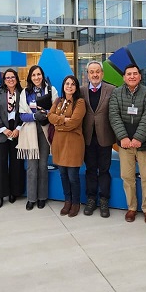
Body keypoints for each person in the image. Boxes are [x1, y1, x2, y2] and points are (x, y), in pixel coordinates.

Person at [109, 64, 146, 224]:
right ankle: (132, 207)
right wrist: (123, 137)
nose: (132, 76)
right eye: (129, 74)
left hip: (143, 143)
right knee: (127, 176)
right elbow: (114, 116)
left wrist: (138, 138)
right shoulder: (116, 93)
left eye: (135, 73)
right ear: (124, 77)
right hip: (124, 143)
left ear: (140, 76)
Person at [17, 65, 58, 211]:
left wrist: (46, 113)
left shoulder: (50, 90)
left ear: (42, 75)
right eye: (33, 75)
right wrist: (35, 116)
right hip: (30, 132)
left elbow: (56, 109)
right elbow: (21, 115)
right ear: (30, 77)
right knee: (32, 167)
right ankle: (31, 198)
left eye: (39, 74)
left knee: (42, 165)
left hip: (45, 131)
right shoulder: (25, 92)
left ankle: (42, 197)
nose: (36, 77)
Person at [80, 61, 116, 218]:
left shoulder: (112, 90)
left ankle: (104, 200)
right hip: (87, 138)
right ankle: (91, 199)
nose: (94, 75)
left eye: (97, 72)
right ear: (87, 74)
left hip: (105, 137)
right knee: (90, 170)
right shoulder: (80, 91)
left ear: (102, 73)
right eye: (91, 72)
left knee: (104, 170)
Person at [48, 75, 87, 217]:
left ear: (76, 87)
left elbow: (74, 122)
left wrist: (58, 124)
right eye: (67, 84)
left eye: (72, 84)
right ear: (63, 86)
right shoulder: (58, 100)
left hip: (74, 144)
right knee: (63, 175)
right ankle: (67, 201)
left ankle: (76, 203)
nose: (69, 86)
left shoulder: (80, 102)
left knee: (72, 176)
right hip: (59, 143)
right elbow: (50, 116)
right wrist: (63, 120)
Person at [0, 68, 25, 208]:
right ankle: (0, 194)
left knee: (17, 165)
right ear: (4, 81)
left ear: (16, 79)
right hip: (1, 134)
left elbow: (25, 112)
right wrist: (4, 130)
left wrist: (17, 129)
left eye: (12, 77)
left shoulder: (22, 94)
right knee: (0, 165)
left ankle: (14, 192)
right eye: (7, 78)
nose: (10, 79)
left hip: (17, 134)